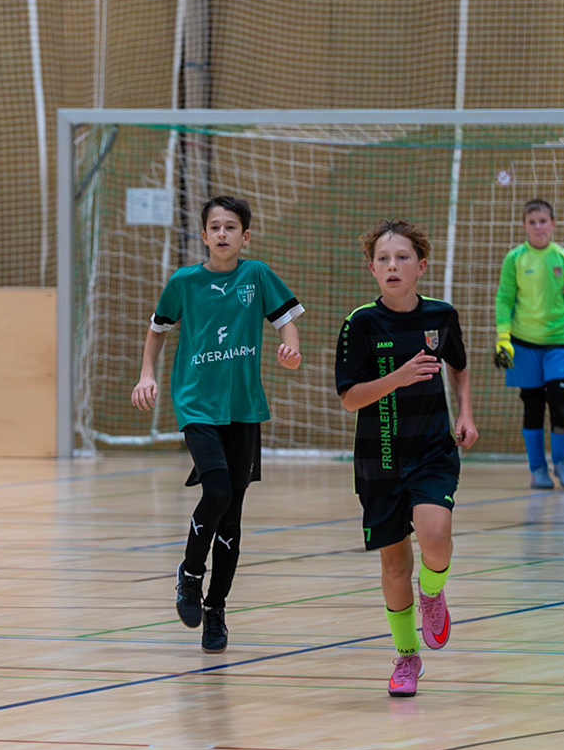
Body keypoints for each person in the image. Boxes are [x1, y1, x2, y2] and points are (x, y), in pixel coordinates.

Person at [132, 196, 304, 654]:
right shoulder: (184, 281)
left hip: (243, 407)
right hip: (197, 403)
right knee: (219, 490)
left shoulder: (257, 275)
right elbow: (158, 328)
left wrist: (291, 348)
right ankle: (190, 573)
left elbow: (286, 319)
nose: (223, 233)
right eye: (215, 227)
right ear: (204, 235)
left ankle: (216, 609)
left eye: (231, 227)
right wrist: (146, 374)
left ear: (245, 236)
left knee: (233, 513)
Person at [336, 219, 479, 697]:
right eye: (383, 259)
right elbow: (350, 399)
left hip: (432, 449)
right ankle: (406, 656)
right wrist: (397, 377)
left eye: (402, 258)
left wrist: (465, 412)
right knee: (395, 565)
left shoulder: (441, 316)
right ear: (372, 268)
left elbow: (459, 365)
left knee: (436, 538)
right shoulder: (360, 323)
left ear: (421, 266)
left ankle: (432, 592)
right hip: (379, 458)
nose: (392, 265)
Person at [494, 199, 564, 489]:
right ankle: (538, 469)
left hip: (559, 343)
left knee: (560, 401)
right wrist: (503, 337)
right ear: (524, 226)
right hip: (523, 343)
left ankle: (562, 462)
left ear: (553, 224)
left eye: (543, 221)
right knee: (532, 406)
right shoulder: (514, 258)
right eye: (532, 222)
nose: (538, 227)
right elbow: (504, 298)